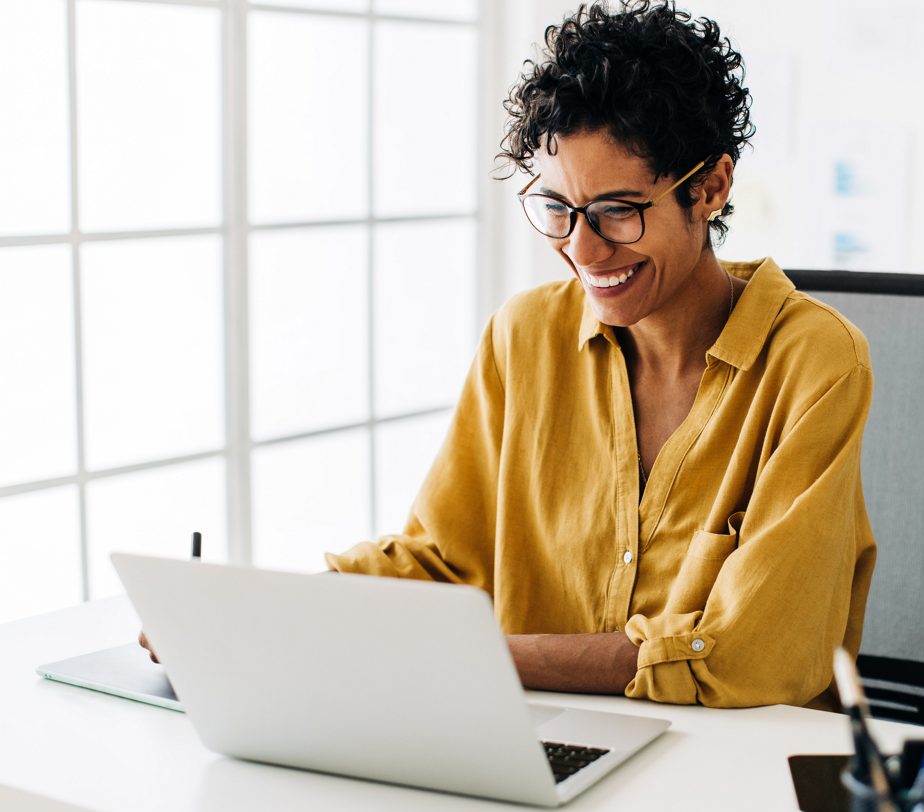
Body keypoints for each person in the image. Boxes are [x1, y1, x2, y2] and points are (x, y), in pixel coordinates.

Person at [144, 0, 876, 709]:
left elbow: (752, 651)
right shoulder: (522, 337)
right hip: (530, 739)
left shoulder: (816, 362)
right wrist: (273, 616)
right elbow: (444, 561)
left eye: (619, 211)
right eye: (558, 209)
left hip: (727, 782)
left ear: (710, 186)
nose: (582, 250)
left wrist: (468, 656)